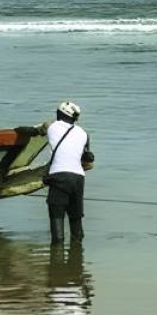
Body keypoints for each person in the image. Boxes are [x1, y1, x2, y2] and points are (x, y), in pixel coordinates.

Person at [45, 100, 91, 245]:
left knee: (57, 218)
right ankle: (77, 256)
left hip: (59, 177)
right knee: (76, 218)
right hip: (78, 179)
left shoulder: (51, 126)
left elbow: (34, 130)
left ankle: (57, 260)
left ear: (59, 114)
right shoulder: (84, 134)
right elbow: (89, 164)